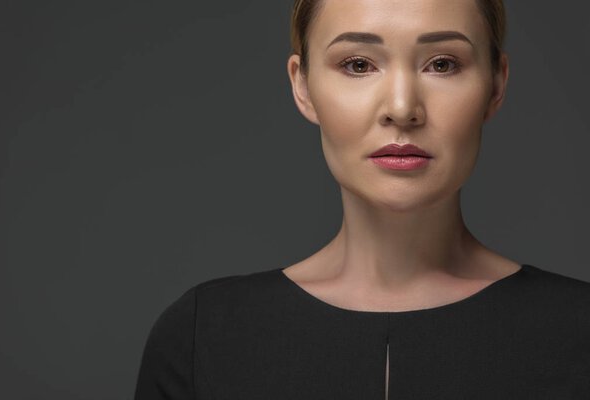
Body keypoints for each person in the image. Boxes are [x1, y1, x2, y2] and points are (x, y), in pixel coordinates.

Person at [134, 0, 590, 398]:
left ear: (495, 85)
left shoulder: (577, 335)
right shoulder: (203, 339)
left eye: (443, 63)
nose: (401, 107)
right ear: (303, 86)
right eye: (357, 64)